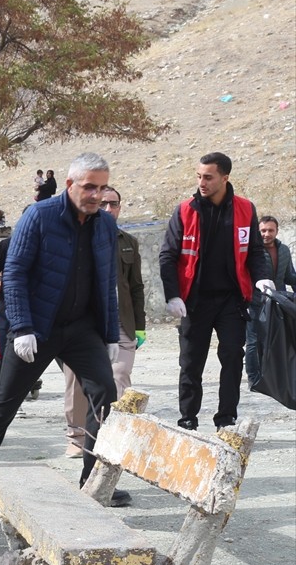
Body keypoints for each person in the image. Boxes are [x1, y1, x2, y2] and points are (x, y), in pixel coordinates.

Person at [0, 152, 125, 515]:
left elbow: (107, 281)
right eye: (88, 187)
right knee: (6, 403)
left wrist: (111, 334)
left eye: (101, 188)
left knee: (105, 395)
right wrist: (21, 328)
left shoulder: (105, 227)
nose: (96, 196)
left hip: (82, 329)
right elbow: (15, 272)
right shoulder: (40, 216)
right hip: (37, 326)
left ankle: (92, 480)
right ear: (69, 185)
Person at [159, 152, 270, 430]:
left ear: (225, 178)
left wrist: (263, 278)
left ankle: (226, 419)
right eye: (198, 176)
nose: (201, 182)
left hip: (231, 300)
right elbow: (168, 255)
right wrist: (173, 294)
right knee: (191, 362)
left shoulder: (245, 208)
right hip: (195, 302)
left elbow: (255, 251)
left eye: (208, 177)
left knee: (233, 355)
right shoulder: (186, 210)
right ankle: (187, 419)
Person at [61, 186, 145, 460]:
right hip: (84, 323)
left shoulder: (128, 241)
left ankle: (112, 437)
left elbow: (136, 288)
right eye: (104, 203)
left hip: (121, 323)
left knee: (119, 377)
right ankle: (77, 436)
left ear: (120, 208)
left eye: (114, 204)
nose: (109, 209)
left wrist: (140, 326)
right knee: (77, 382)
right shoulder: (76, 237)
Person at [245, 216, 296, 387]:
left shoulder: (284, 251)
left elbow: (290, 276)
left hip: (278, 304)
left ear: (277, 231)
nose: (267, 234)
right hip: (255, 302)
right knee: (253, 341)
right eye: (263, 230)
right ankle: (254, 379)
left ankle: (274, 378)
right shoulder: (251, 252)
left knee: (276, 341)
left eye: (270, 230)